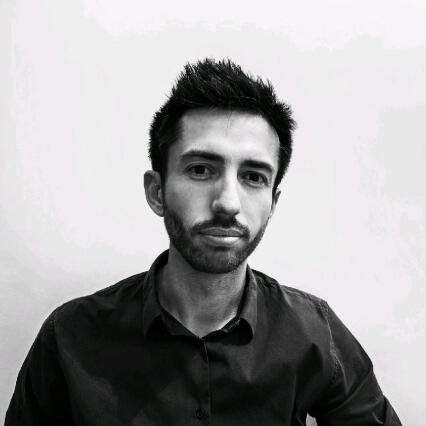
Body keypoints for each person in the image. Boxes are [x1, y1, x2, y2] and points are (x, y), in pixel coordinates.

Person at [6, 58, 402, 425]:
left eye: (253, 177)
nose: (228, 202)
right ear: (157, 192)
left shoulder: (313, 333)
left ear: (273, 203)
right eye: (200, 170)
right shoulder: (70, 336)